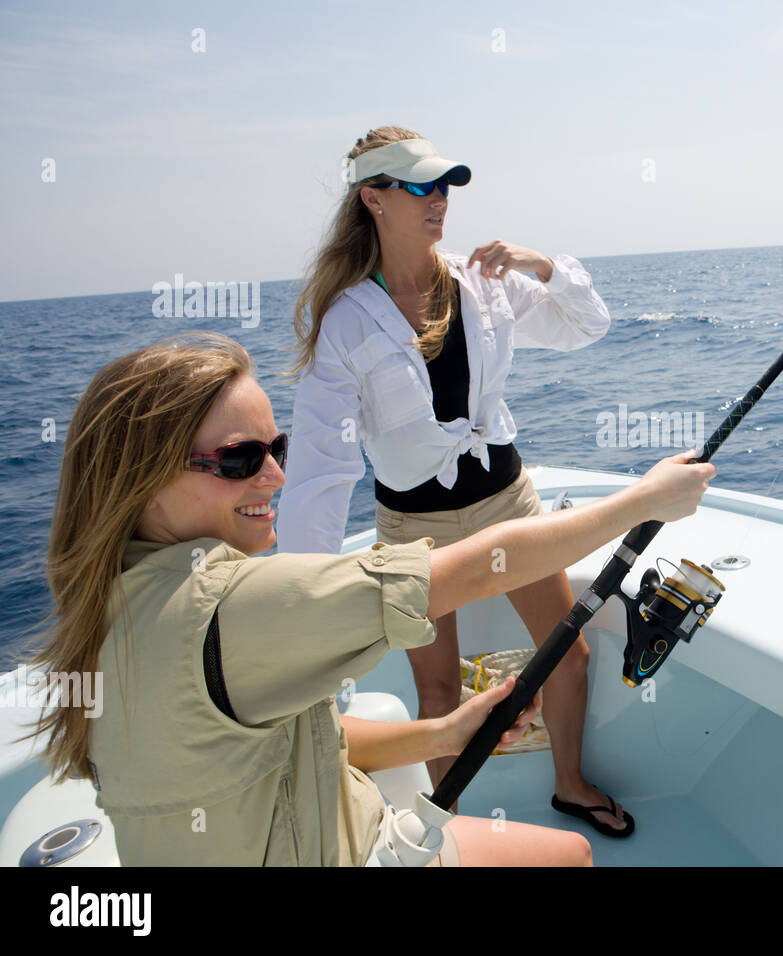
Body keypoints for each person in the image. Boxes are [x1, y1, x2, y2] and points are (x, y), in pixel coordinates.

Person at [23, 334, 715, 865]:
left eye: (279, 448)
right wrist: (642, 502)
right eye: (240, 459)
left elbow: (292, 736)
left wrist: (441, 736)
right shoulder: (231, 604)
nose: (273, 475)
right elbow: (472, 571)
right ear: (141, 476)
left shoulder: (108, 599)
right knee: (571, 855)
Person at [276, 126, 634, 836]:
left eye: (445, 185)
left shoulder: (485, 285)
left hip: (508, 506)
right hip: (414, 531)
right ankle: (452, 834)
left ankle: (570, 784)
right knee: (436, 687)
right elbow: (321, 472)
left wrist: (539, 263)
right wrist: (296, 596)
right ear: (373, 198)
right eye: (419, 186)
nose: (439, 200)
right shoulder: (344, 325)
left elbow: (588, 324)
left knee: (569, 654)